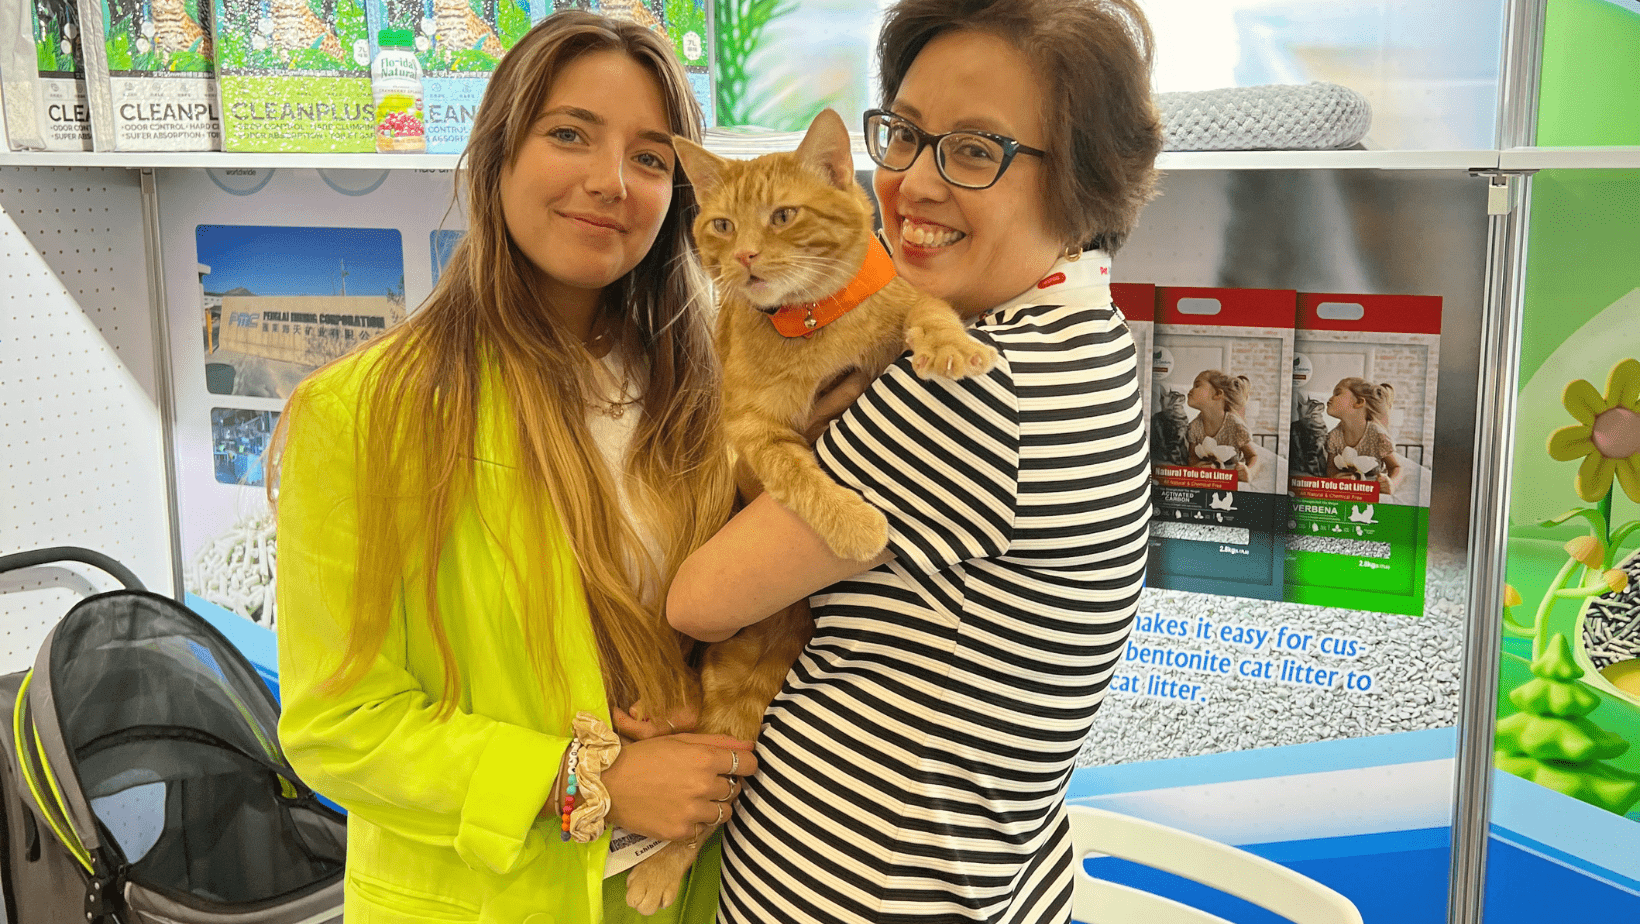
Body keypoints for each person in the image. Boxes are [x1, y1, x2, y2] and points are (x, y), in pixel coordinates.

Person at [666, 0, 1161, 920]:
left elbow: (701, 599)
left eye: (975, 150)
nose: (913, 183)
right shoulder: (1086, 336)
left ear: (1082, 180)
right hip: (980, 874)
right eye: (904, 134)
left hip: (861, 889)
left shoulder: (972, 387)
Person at [270, 12, 757, 922]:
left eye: (650, 158)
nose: (611, 181)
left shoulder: (715, 395)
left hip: (690, 888)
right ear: (497, 154)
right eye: (570, 134)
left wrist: (694, 708)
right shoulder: (367, 414)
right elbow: (339, 725)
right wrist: (588, 781)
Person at [1324, 376, 1405, 495]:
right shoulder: (1334, 436)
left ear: (1359, 402)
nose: (1330, 398)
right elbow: (1331, 468)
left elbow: (1397, 467)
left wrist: (1392, 483)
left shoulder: (1377, 435)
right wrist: (1336, 477)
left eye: (1337, 393)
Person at [1185, 369, 1263, 485]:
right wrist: (1196, 467)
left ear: (1217, 394)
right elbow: (1192, 458)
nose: (1190, 390)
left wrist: (1249, 472)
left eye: (1197, 385)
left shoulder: (1235, 425)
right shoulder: (1194, 427)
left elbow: (1253, 456)